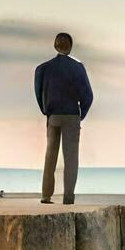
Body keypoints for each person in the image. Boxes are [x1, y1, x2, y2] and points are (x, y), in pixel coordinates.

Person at [33, 31, 93, 204]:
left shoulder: (43, 68)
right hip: (72, 115)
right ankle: (68, 197)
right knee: (71, 158)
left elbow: (38, 92)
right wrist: (82, 114)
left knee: (50, 155)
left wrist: (46, 110)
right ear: (71, 47)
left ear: (55, 46)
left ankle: (46, 195)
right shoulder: (77, 67)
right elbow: (88, 95)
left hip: (53, 116)